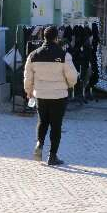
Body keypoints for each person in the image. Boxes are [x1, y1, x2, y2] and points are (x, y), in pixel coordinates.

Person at [24, 26, 78, 166]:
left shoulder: (33, 55)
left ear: (44, 37)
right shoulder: (64, 55)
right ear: (56, 38)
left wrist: (29, 91)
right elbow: (73, 77)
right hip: (59, 96)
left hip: (41, 95)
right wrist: (69, 85)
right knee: (56, 125)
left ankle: (39, 143)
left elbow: (28, 77)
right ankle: (52, 156)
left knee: (42, 121)